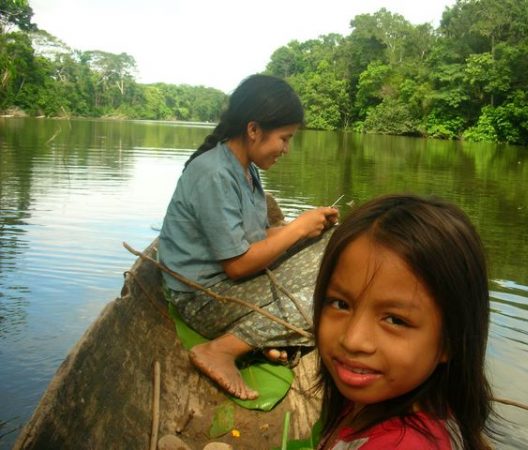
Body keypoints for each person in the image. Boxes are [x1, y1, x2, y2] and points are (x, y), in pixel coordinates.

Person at [158, 74, 338, 400]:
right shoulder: (214, 173)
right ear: (253, 130)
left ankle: (262, 337)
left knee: (335, 244)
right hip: (203, 299)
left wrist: (307, 228)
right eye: (284, 138)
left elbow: (253, 237)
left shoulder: (246, 168)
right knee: (327, 292)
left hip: (226, 286)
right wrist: (297, 228)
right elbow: (237, 265)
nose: (286, 149)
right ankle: (221, 350)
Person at [312, 194, 494, 450]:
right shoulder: (376, 399)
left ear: (451, 340)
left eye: (395, 320)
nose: (353, 340)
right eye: (340, 304)